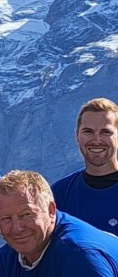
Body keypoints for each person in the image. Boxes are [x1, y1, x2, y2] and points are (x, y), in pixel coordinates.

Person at [50, 98, 118, 235]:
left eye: (106, 132)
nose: (96, 140)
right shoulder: (59, 194)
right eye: (88, 131)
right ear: (77, 136)